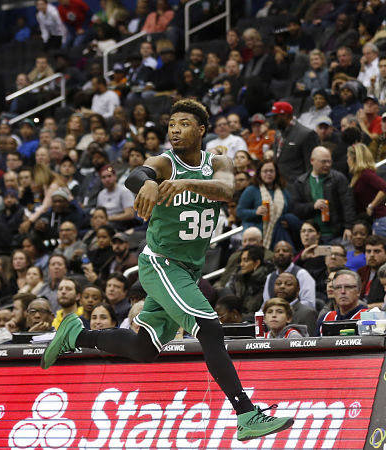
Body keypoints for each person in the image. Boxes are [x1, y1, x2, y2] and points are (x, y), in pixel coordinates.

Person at [42, 99, 294, 441]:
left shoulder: (217, 160)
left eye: (183, 124)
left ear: (201, 130)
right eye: (171, 124)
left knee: (145, 347)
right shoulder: (164, 161)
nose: (175, 129)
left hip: (188, 270)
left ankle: (77, 334)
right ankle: (246, 414)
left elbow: (225, 189)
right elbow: (137, 174)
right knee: (209, 328)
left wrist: (186, 185)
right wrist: (146, 181)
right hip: (162, 264)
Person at [289, 146, 355, 243]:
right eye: (323, 162)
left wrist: (349, 227)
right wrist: (312, 206)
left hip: (337, 233)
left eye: (329, 161)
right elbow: (295, 208)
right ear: (312, 161)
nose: (327, 165)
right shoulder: (301, 182)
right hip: (312, 237)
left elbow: (348, 204)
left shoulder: (338, 178)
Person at [236, 159, 294, 250]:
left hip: (278, 234)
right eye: (265, 171)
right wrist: (255, 212)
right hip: (256, 237)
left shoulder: (283, 191)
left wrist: (288, 221)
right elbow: (239, 212)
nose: (268, 174)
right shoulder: (252, 190)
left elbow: (290, 210)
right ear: (259, 173)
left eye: (271, 171)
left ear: (276, 173)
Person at [348, 143, 386, 236]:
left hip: (379, 220)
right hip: (372, 221)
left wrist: (371, 206)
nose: (347, 160)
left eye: (348, 157)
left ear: (354, 159)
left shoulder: (366, 174)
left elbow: (384, 187)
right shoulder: (357, 176)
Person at [318, 269, 368, 335]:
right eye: (338, 287)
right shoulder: (325, 318)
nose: (343, 291)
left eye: (348, 287)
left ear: (358, 291)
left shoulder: (369, 317)